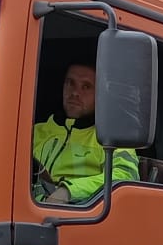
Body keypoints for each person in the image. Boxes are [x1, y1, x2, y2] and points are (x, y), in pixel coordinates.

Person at [33, 62, 139, 205]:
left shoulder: (113, 138)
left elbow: (126, 177)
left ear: (100, 95)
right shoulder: (33, 131)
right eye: (70, 83)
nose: (75, 93)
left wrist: (69, 191)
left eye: (86, 86)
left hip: (77, 219)